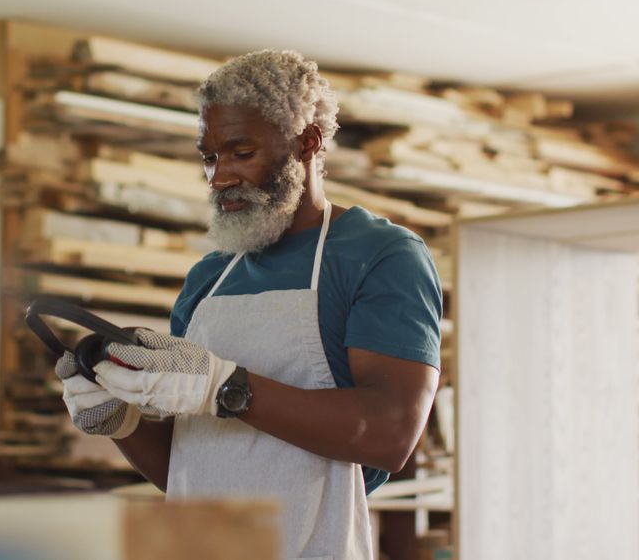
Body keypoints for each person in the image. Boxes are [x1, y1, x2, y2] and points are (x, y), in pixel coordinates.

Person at [54, 49, 441, 559]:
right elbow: (192, 471)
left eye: (241, 153)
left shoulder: (380, 256)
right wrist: (121, 423)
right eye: (210, 157)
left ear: (308, 143)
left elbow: (391, 433)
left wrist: (227, 387)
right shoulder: (207, 279)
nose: (219, 178)